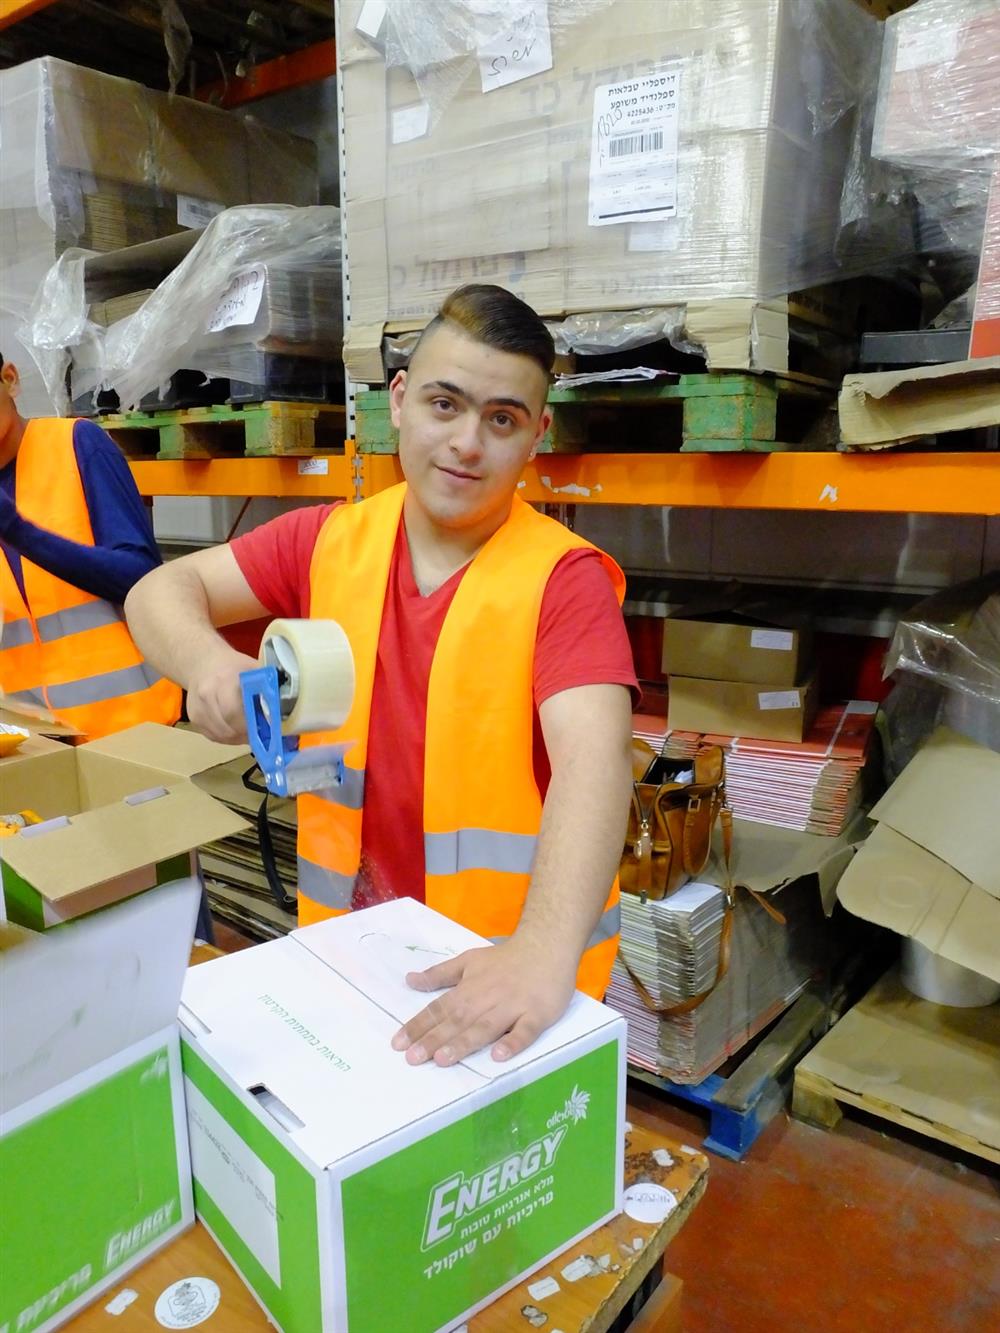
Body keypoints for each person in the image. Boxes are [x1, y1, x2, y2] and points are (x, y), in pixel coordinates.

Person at [125, 284, 636, 1066]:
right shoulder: (328, 541)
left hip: (498, 986)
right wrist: (207, 664)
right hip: (346, 957)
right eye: (444, 403)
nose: (467, 441)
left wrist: (541, 951)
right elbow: (159, 592)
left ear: (535, 436)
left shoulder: (563, 581)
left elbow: (594, 765)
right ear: (398, 400)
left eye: (501, 418)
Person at [0, 354, 180, 739]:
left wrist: (17, 530)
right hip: (32, 746)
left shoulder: (77, 445)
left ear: (10, 379)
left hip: (131, 728)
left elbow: (142, 579)